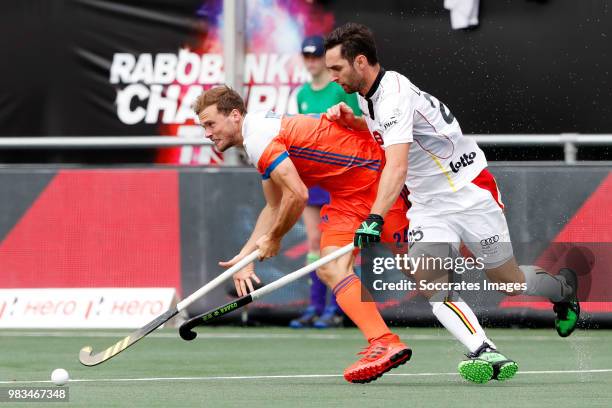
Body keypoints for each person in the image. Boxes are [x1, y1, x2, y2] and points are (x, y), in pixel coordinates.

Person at [323, 22, 579, 384]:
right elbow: (392, 133)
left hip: (469, 191)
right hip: (429, 204)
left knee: (508, 281)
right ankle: (484, 350)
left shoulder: (394, 94)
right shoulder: (367, 95)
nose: (332, 77)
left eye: (337, 68)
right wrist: (356, 123)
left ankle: (563, 290)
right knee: (431, 278)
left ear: (360, 61)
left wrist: (374, 217)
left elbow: (395, 165)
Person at [192, 85, 412, 383]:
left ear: (234, 115)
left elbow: (297, 195)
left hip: (376, 178)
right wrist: (246, 256)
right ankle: (383, 341)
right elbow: (273, 205)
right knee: (331, 268)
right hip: (347, 197)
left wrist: (274, 239)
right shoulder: (256, 134)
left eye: (210, 124)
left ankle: (480, 343)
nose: (207, 133)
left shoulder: (259, 136)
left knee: (425, 277)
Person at [290, 35, 363, 329]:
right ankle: (315, 306)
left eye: (316, 56)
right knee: (313, 241)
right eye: (306, 56)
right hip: (313, 174)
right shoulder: (302, 94)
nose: (311, 61)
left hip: (342, 174)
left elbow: (358, 126)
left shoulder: (341, 89)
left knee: (341, 243)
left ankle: (338, 307)